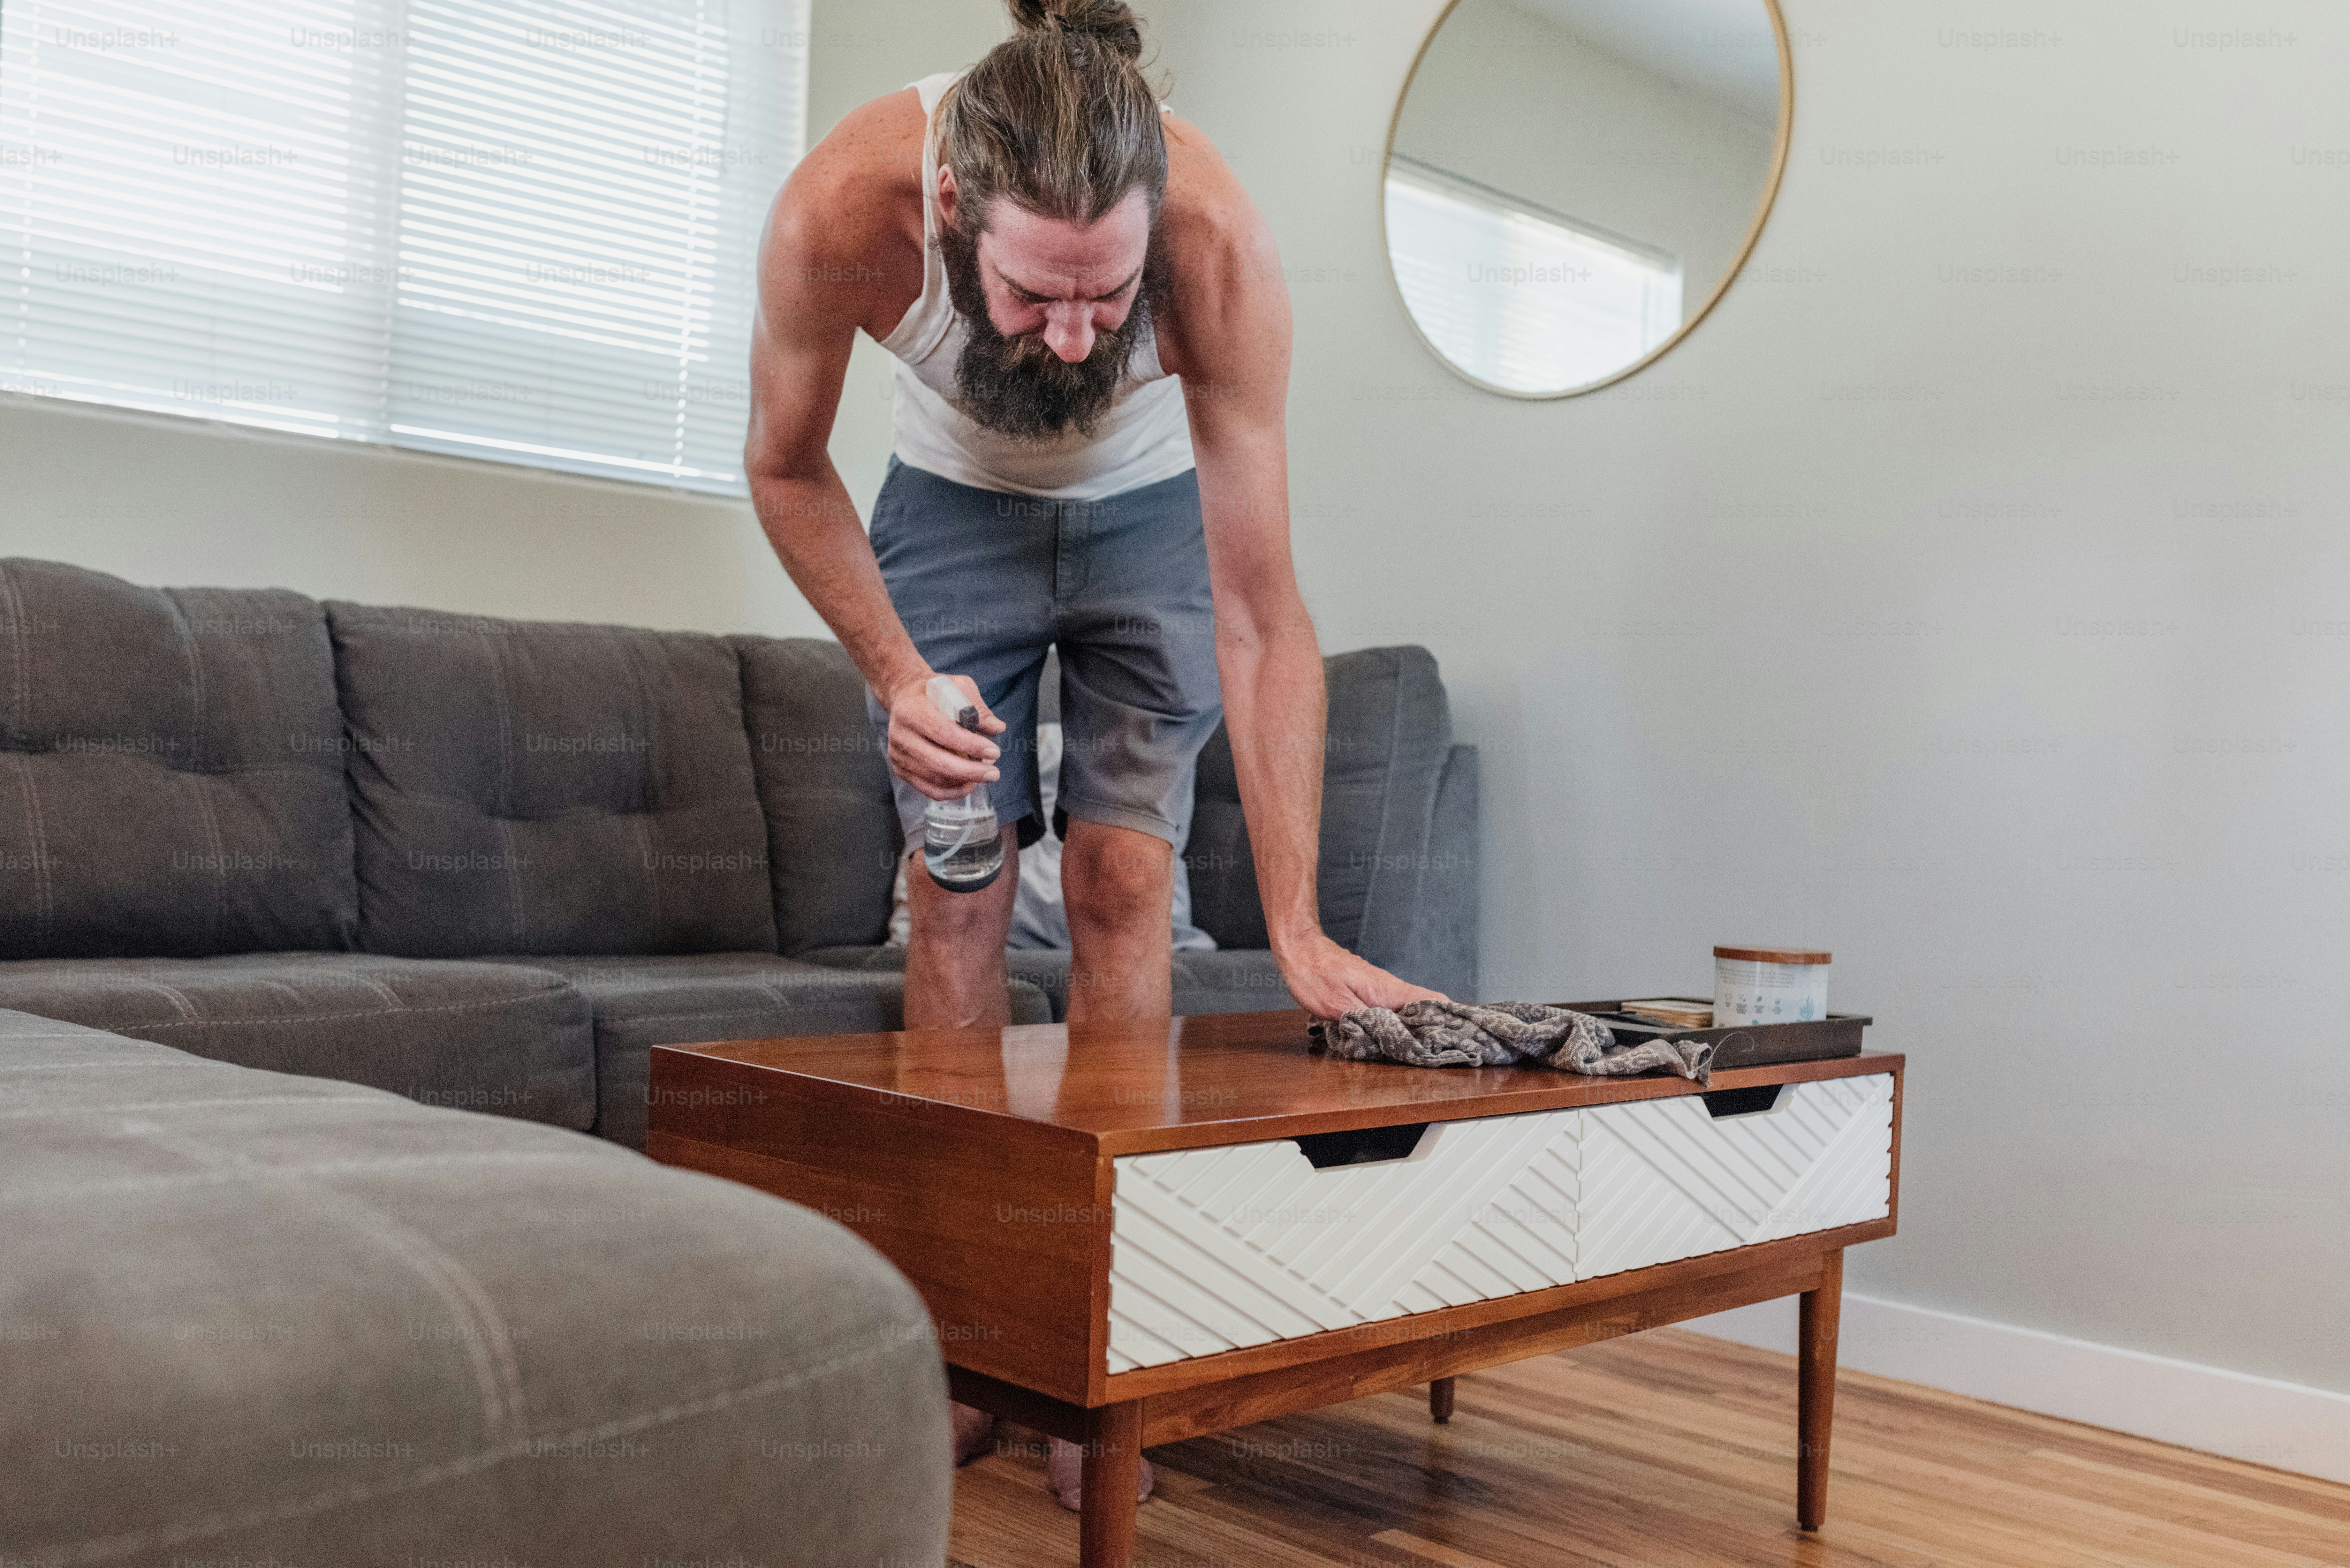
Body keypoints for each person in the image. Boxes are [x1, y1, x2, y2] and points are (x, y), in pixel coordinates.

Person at [743, 0, 1446, 1511]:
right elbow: (783, 467)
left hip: (1149, 524)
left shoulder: (1222, 253)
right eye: (1031, 293)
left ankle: (1092, 1360)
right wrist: (896, 675)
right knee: (958, 889)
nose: (1073, 335)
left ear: (1154, 236)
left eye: (1105, 296)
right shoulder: (836, 213)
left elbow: (1263, 618)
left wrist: (1303, 925)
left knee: (1130, 882)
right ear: (948, 212)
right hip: (945, 514)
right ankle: (958, 1340)